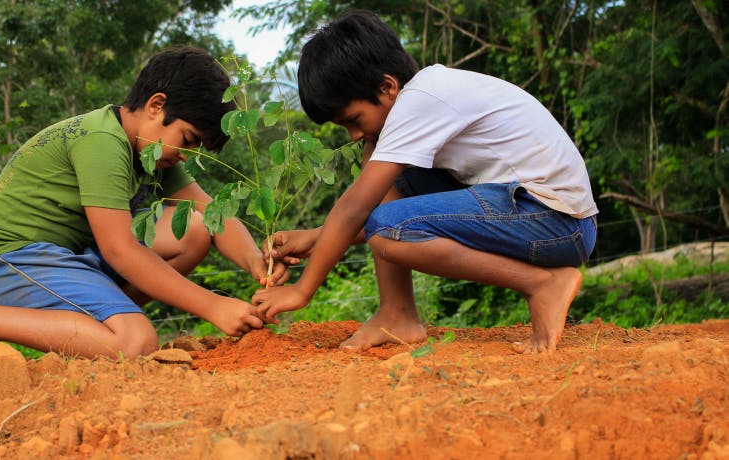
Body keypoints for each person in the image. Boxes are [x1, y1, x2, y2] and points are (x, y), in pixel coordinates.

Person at [251, 10, 598, 354]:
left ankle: (544, 284)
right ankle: (397, 313)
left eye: (353, 119)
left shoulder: (422, 101)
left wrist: (302, 290)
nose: (353, 134)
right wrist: (315, 239)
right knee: (378, 164)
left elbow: (357, 208)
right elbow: (368, 207)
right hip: (531, 211)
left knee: (386, 226)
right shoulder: (420, 97)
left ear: (388, 86)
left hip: (557, 222)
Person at [0, 46, 286, 378]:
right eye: (188, 138)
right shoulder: (102, 140)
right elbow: (119, 249)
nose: (188, 155)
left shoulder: (153, 151)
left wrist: (255, 259)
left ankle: (98, 330)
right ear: (156, 106)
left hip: (68, 259)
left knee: (192, 230)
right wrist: (213, 306)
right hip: (11, 261)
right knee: (136, 344)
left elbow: (212, 215)